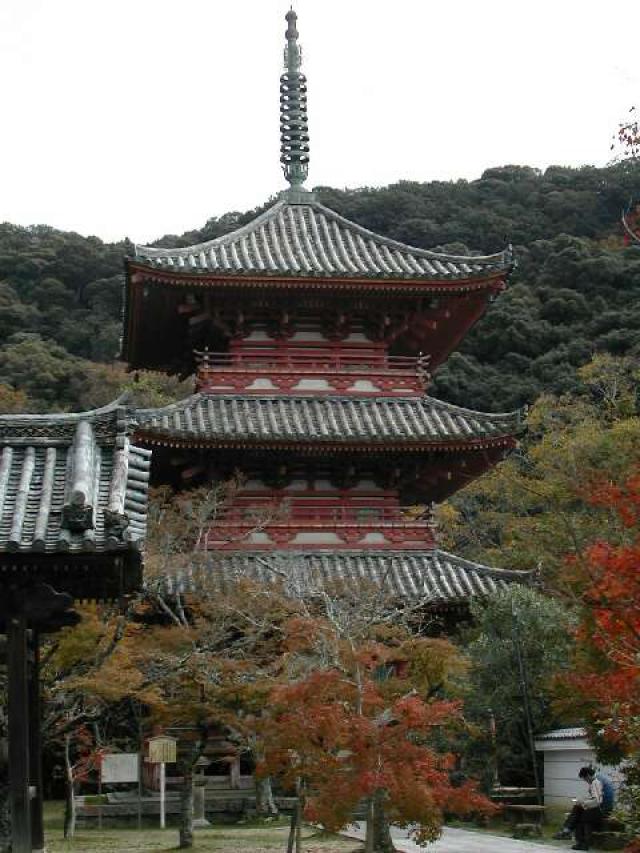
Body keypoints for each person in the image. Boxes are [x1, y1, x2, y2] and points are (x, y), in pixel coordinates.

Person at [553, 765, 611, 850]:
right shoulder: (598, 780)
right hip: (601, 808)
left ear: (587, 775)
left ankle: (568, 831)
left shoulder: (595, 782)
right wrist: (583, 803)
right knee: (578, 810)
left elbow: (597, 801)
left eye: (585, 779)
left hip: (601, 810)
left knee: (579, 814)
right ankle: (569, 831)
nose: (586, 781)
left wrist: (583, 803)